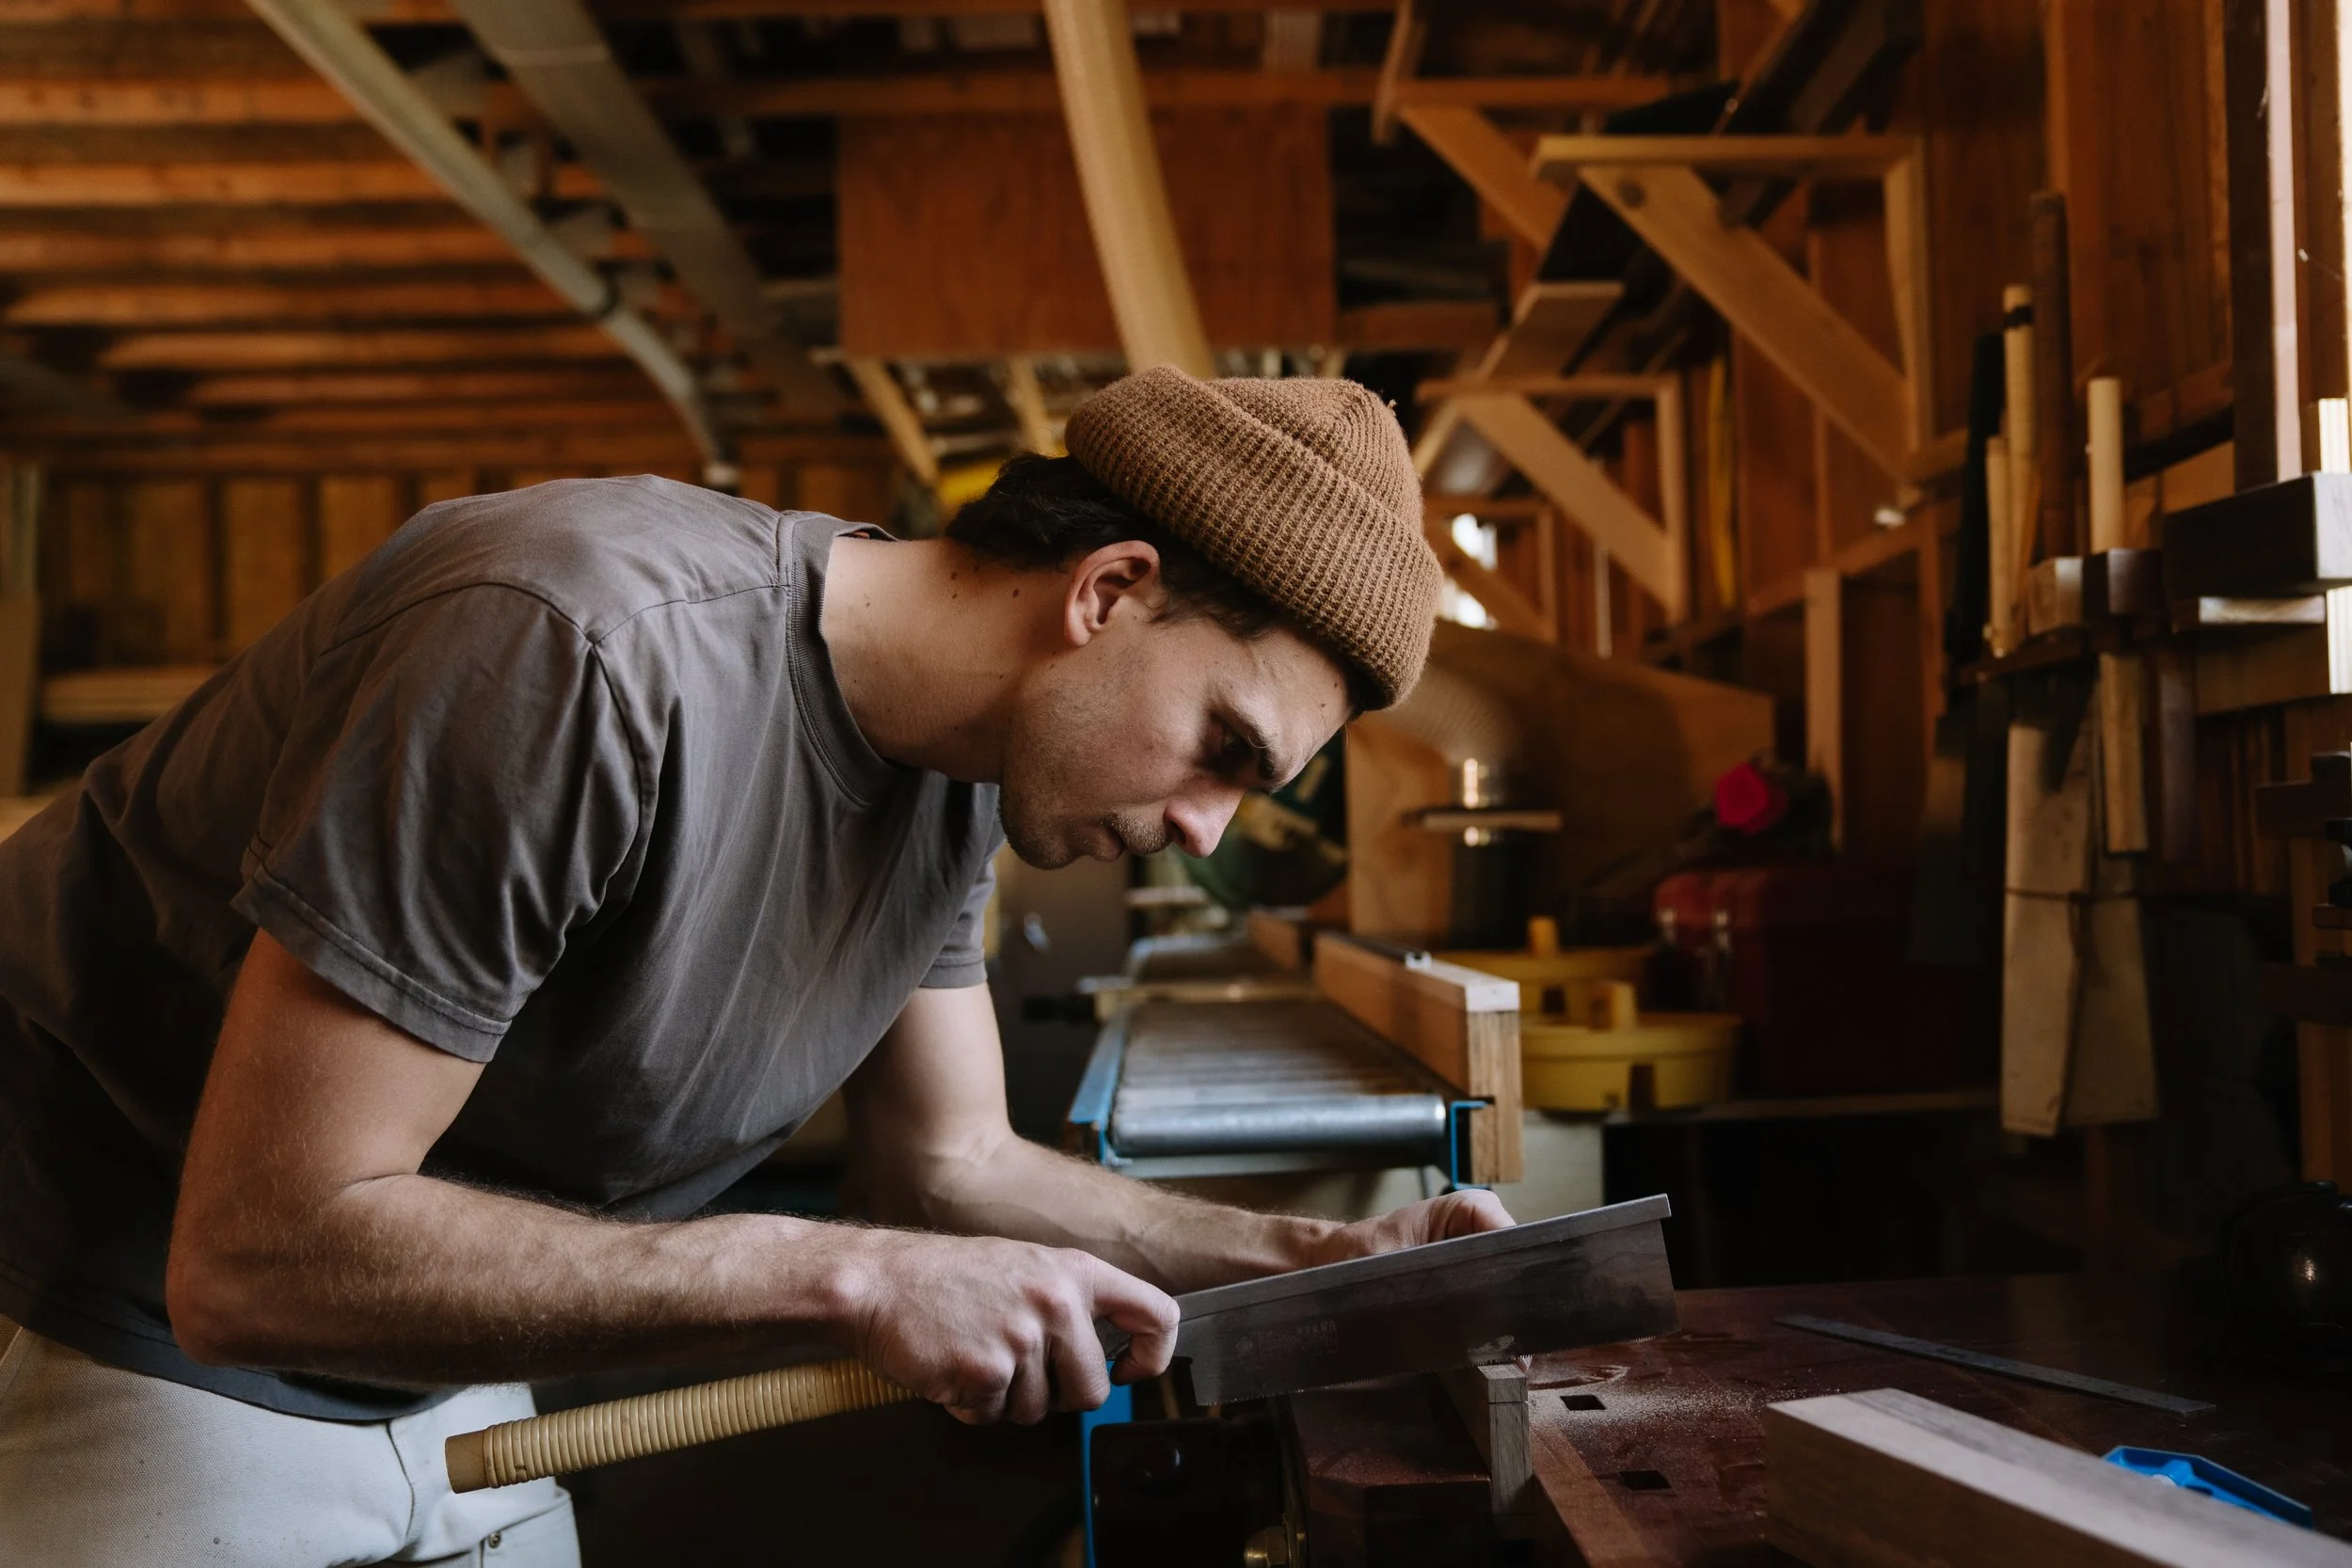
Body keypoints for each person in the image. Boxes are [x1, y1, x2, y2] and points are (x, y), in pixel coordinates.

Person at [0, 366, 1510, 1563]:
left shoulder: (959, 774)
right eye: (1223, 750)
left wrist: (1315, 1260)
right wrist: (844, 1271)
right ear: (1107, 590)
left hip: (405, 1329)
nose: (1200, 826)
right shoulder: (576, 650)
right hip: (92, 1297)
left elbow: (956, 1163)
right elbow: (260, 1249)